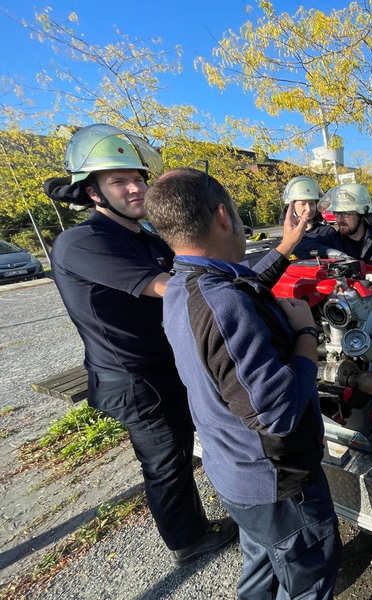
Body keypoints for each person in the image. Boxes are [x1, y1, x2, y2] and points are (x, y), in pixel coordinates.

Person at [43, 124, 237, 567]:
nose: (135, 188)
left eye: (138, 178)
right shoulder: (83, 243)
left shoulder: (144, 236)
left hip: (165, 365)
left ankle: (198, 517)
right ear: (92, 192)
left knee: (185, 444)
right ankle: (188, 540)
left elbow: (196, 264)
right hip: (134, 378)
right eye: (119, 181)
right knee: (166, 460)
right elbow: (172, 286)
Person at [145, 168, 342, 600]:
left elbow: (240, 284)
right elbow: (279, 413)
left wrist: (286, 246)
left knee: (261, 562)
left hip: (235, 474)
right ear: (223, 215)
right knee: (310, 576)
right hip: (277, 485)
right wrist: (307, 334)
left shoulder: (183, 284)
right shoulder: (223, 304)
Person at [295, 183, 372, 288]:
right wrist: (329, 252)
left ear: (361, 214)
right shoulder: (333, 241)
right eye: (336, 214)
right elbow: (299, 246)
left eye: (345, 214)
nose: (339, 220)